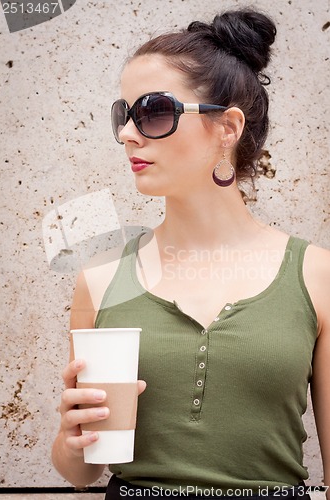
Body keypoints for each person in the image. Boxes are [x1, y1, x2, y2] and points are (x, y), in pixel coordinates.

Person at [51, 7, 330, 499]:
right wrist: (74, 440)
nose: (127, 133)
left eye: (153, 112)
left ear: (227, 128)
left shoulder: (316, 275)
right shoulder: (98, 279)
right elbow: (83, 473)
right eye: (124, 113)